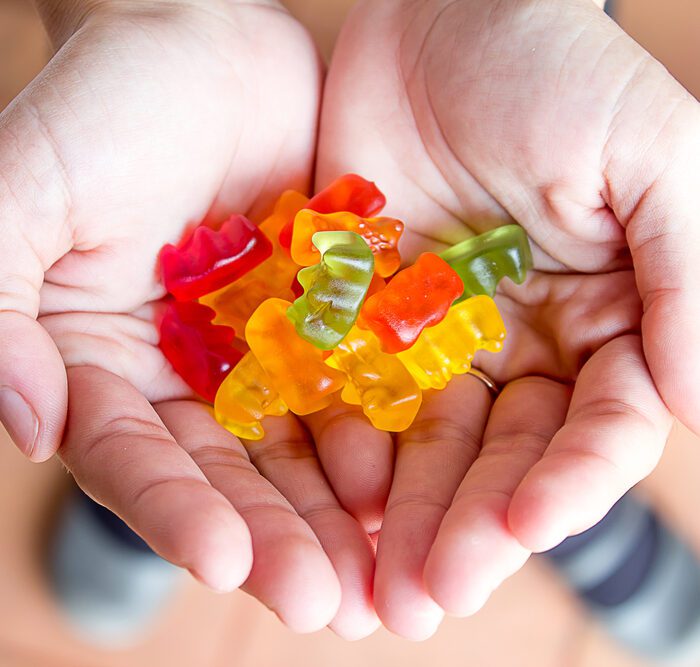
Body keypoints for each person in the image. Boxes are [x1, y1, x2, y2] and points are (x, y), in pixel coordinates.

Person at [0, 0, 698, 649]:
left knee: (549, 404)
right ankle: (125, 506)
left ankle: (579, 524)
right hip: (200, 342)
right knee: (141, 417)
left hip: (475, 285)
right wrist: (148, 10)